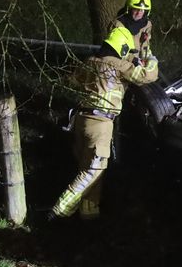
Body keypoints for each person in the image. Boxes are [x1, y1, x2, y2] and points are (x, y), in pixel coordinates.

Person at [49, 25, 158, 220]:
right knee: (93, 171)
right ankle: (60, 212)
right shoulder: (119, 65)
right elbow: (148, 75)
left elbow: (71, 80)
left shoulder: (90, 61)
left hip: (81, 120)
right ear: (122, 48)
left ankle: (89, 213)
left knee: (88, 166)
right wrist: (150, 57)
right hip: (101, 124)